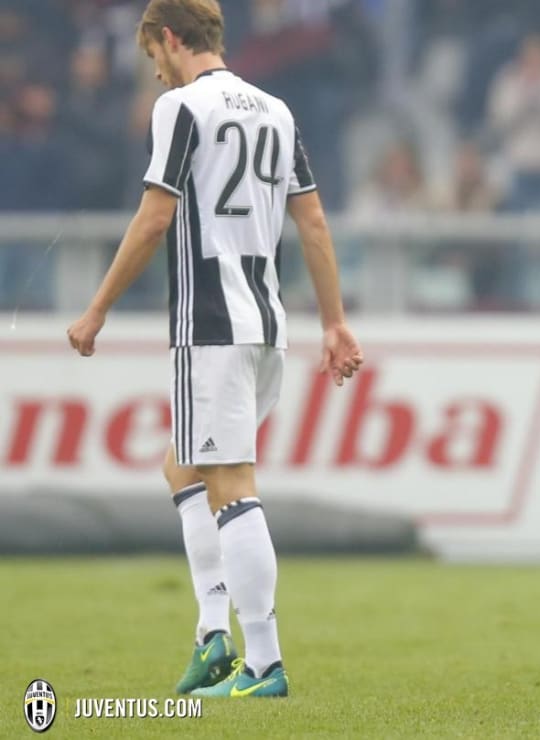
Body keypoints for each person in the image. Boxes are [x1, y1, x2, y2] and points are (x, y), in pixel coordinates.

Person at [66, 0, 363, 699]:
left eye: (154, 55)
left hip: (210, 323)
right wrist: (334, 322)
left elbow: (155, 217)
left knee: (230, 482)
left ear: (171, 38)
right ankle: (212, 634)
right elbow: (314, 222)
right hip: (266, 322)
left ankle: (263, 663)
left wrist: (98, 308)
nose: (156, 72)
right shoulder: (277, 111)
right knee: (185, 466)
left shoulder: (181, 108)